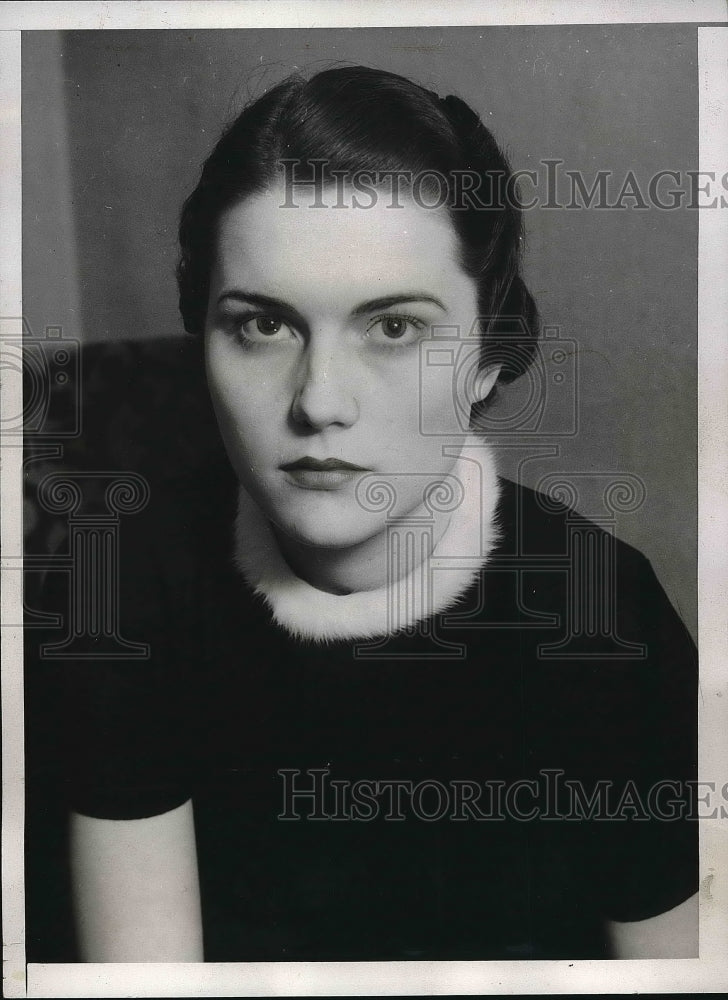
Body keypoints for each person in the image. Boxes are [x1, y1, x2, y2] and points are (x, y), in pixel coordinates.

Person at [30, 66, 698, 962]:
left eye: (393, 328)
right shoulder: (128, 577)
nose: (320, 402)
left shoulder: (603, 617)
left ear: (488, 359)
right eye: (263, 326)